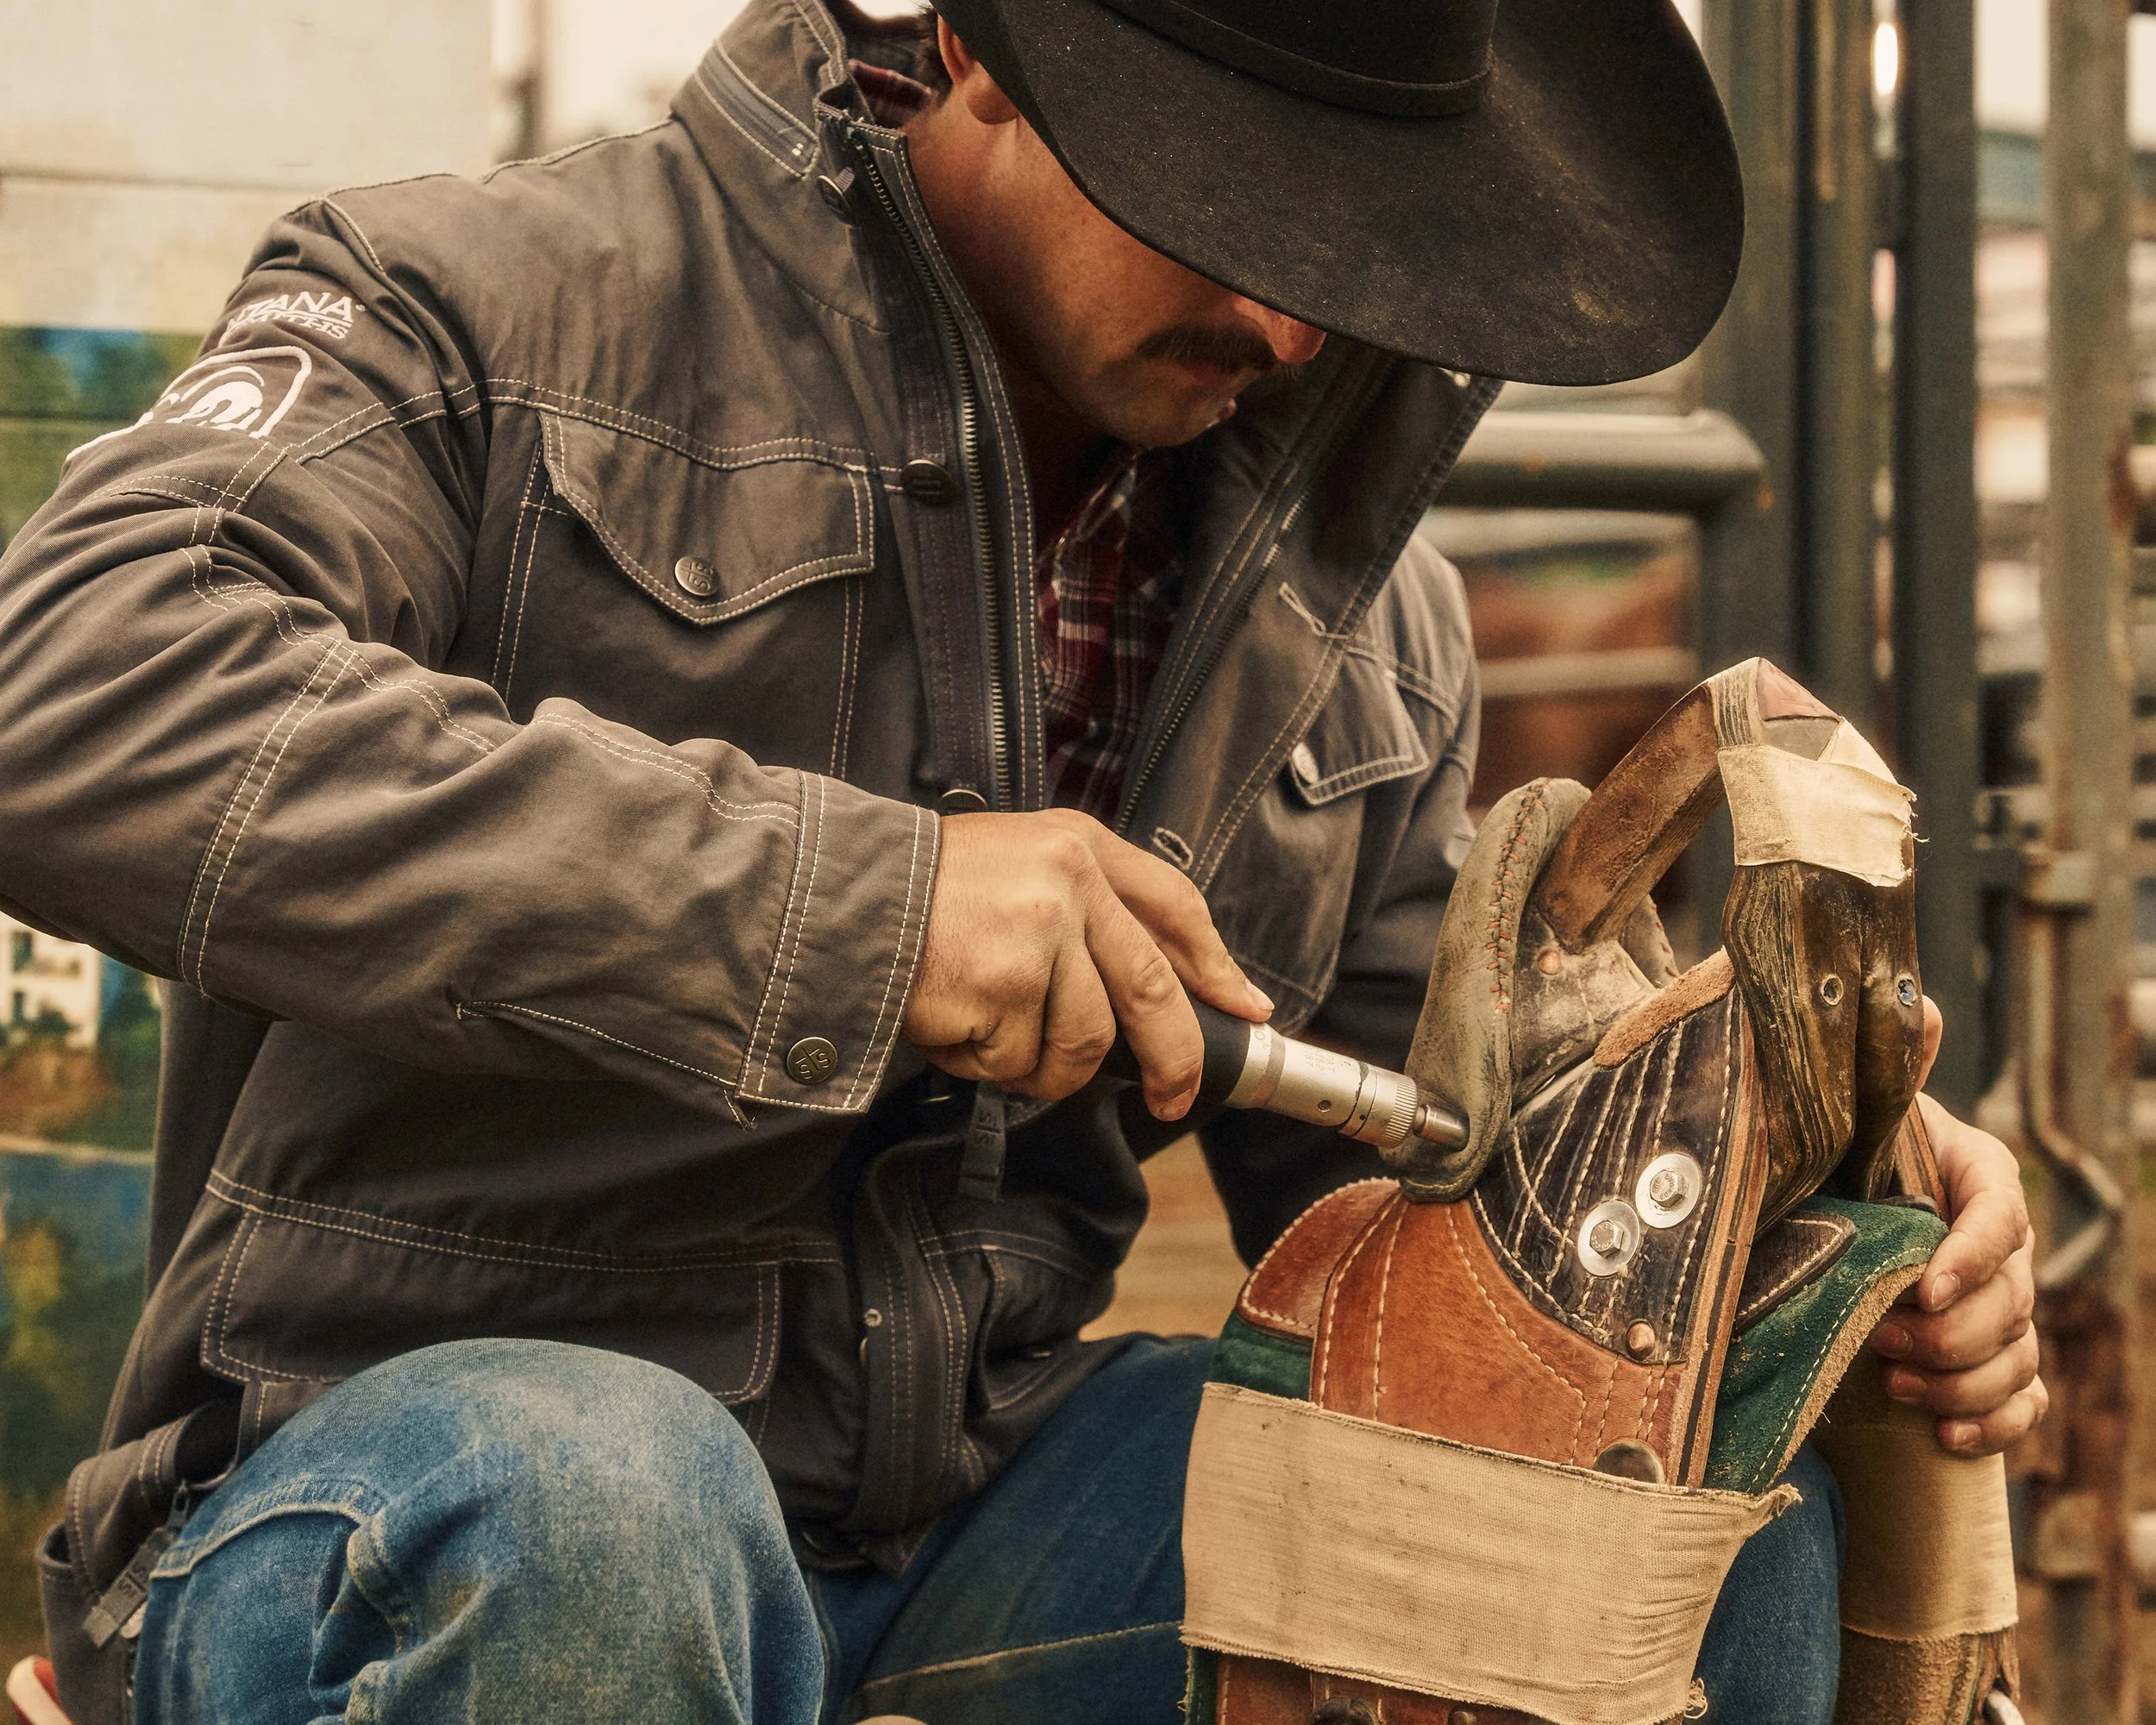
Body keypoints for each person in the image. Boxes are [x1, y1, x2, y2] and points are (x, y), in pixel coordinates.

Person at [0, 2, 2041, 1721]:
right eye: (1226, 197)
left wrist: (1773, 1195)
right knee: (602, 1499)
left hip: (968, 1518)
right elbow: (66, 687)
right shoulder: (473, 311)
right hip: (377, 1505)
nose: (1282, 307)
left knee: (1688, 1536)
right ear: (977, 40)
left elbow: (1427, 1167)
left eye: (1352, 232)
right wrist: (862, 917)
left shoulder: (1364, 613)